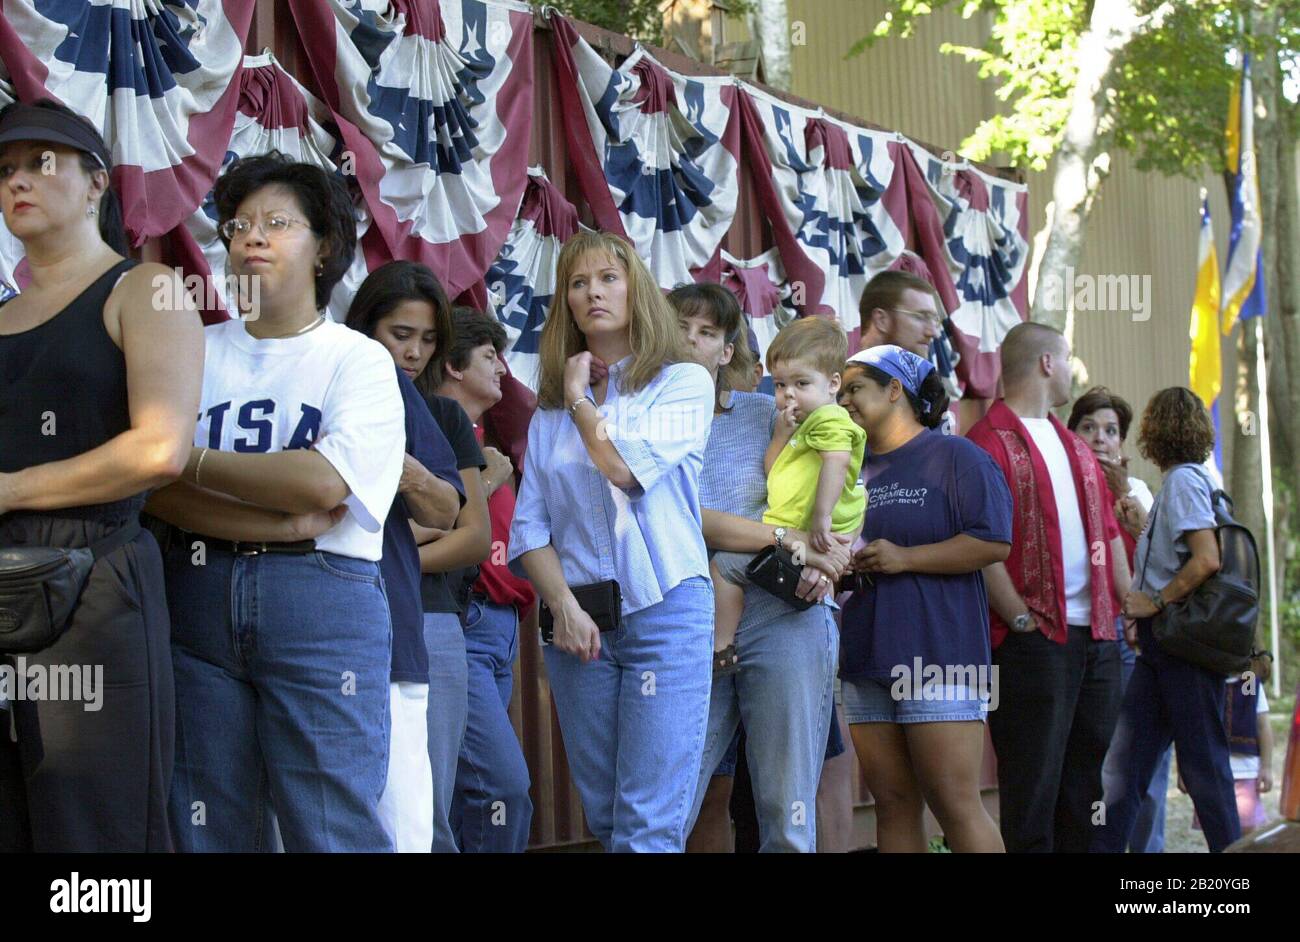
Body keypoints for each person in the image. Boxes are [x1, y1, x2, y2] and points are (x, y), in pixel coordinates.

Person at [146, 153, 409, 852]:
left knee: (330, 828)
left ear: (324, 245)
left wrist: (191, 459)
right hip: (194, 590)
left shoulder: (357, 359)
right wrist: (275, 514)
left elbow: (323, 484)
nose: (251, 237)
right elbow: (151, 486)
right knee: (204, 820)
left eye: (277, 224)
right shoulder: (188, 349)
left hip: (321, 600)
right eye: (238, 225)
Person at [0, 99, 204, 851]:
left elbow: (159, 451)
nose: (19, 179)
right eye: (5, 170)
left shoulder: (142, 291)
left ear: (95, 184)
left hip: (94, 584)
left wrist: (10, 490)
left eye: (41, 162)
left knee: (96, 827)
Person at [508, 231, 716, 852]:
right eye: (578, 282)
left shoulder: (682, 381)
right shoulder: (546, 413)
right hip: (579, 621)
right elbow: (528, 528)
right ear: (566, 302)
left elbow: (624, 468)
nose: (593, 291)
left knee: (648, 822)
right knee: (606, 816)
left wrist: (578, 399)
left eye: (608, 278)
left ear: (637, 289)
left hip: (667, 613)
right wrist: (562, 607)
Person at [670, 286, 853, 852]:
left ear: (728, 351)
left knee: (784, 803)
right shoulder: (643, 422)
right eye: (682, 328)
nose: (692, 342)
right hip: (689, 616)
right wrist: (793, 537)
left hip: (784, 611)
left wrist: (835, 552)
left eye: (708, 333)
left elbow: (844, 478)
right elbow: (684, 518)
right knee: (672, 794)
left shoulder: (773, 409)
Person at [836, 345, 1011, 852]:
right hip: (867, 654)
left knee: (953, 800)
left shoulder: (954, 455)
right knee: (892, 802)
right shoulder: (849, 467)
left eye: (855, 389)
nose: (843, 399)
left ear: (896, 390)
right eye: (840, 390)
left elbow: (993, 541)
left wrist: (905, 559)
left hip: (940, 656)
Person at [966, 322, 1129, 853]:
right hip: (1033, 641)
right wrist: (1017, 620)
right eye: (1067, 357)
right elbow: (976, 543)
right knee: (1032, 786)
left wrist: (1128, 608)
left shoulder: (1074, 445)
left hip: (1098, 638)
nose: (1071, 367)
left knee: (1084, 786)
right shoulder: (986, 442)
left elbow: (1107, 532)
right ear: (1046, 363)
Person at [344, 262, 467, 852]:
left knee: (408, 820)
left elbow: (448, 511)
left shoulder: (402, 395)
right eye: (400, 335)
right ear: (365, 324)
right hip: (295, 633)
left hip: (394, 627)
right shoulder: (332, 364)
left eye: (427, 340)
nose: (413, 353)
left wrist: (408, 471)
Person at [1092, 387, 1244, 853]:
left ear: (1155, 431)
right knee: (1124, 767)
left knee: (1204, 770)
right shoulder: (1186, 481)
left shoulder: (1182, 482)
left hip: (1183, 649)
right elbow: (1172, 555)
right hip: (1163, 651)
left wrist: (1154, 602)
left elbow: (1206, 559)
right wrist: (1139, 521)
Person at [708, 316, 865, 675]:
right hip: (793, 528)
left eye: (801, 383)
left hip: (806, 528)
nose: (788, 394)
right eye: (780, 385)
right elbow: (773, 470)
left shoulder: (830, 419)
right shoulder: (800, 423)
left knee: (723, 567)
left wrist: (822, 519)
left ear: (833, 384)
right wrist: (779, 436)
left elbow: (837, 465)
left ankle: (722, 645)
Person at [437, 306, 535, 853]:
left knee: (466, 793)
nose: (502, 368)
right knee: (503, 787)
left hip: (500, 629)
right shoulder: (432, 431)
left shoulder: (484, 436)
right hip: (462, 621)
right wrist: (492, 473)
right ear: (452, 365)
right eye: (488, 356)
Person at [1067, 386, 1169, 852]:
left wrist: (1125, 497)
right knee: (1099, 766)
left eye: (1111, 431)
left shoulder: (1141, 493)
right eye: (1088, 428)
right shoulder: (1062, 489)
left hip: (1137, 644)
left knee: (1143, 767)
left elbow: (1163, 557)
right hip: (1084, 638)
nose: (1100, 439)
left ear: (1123, 444)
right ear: (1073, 436)